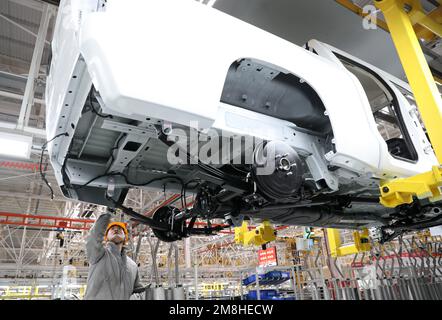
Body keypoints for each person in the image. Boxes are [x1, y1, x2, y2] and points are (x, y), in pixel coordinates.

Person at [84, 210, 144, 300]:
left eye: (120, 229)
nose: (116, 229)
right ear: (106, 237)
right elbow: (94, 237)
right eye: (112, 229)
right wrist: (108, 213)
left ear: (125, 238)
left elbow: (138, 291)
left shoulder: (133, 265)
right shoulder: (98, 254)